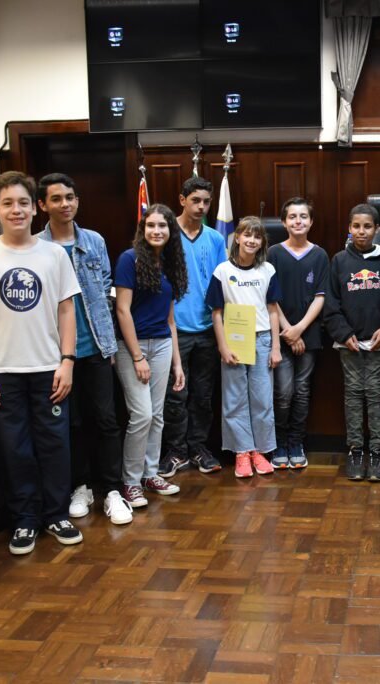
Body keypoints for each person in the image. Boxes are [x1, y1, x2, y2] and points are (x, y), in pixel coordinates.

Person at [0, 171, 82, 555]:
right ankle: (25, 520)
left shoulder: (54, 254)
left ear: (34, 208)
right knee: (15, 449)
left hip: (48, 369)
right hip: (1, 372)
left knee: (55, 445)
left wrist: (67, 361)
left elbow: (66, 311)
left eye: (23, 203)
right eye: (8, 203)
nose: (17, 210)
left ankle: (57, 514)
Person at [36, 173, 132, 526]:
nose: (65, 204)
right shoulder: (36, 247)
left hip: (96, 347)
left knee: (106, 420)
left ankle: (112, 490)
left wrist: (109, 341)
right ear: (42, 205)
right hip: (56, 354)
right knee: (72, 423)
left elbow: (105, 292)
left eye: (70, 197)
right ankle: (81, 487)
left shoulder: (94, 241)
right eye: (57, 199)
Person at [114, 204, 187, 509]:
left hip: (162, 344)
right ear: (142, 230)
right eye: (151, 226)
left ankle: (150, 473)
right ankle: (130, 482)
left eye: (163, 226)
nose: (157, 231)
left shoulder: (170, 262)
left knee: (157, 415)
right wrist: (137, 357)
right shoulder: (128, 259)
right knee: (141, 415)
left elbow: (170, 320)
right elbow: (122, 310)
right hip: (133, 346)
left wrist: (177, 364)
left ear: (171, 230)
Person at [324, 204, 380, 482]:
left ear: (377, 229)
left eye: (367, 226)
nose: (361, 231)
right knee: (353, 394)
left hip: (379, 341)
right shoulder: (339, 260)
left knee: (376, 394)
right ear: (349, 228)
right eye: (356, 226)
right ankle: (356, 450)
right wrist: (343, 333)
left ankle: (377, 451)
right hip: (349, 343)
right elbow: (331, 303)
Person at [160, 177, 227, 478]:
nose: (201, 207)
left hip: (207, 328)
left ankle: (198, 447)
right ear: (182, 200)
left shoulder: (215, 239)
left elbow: (222, 283)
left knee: (202, 395)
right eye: (195, 200)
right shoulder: (165, 233)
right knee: (176, 395)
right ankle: (176, 451)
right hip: (174, 328)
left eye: (206, 202)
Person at [205, 216, 281, 478]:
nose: (251, 240)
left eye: (257, 236)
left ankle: (260, 451)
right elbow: (216, 313)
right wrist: (222, 347)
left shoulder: (267, 270)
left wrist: (276, 347)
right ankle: (242, 451)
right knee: (235, 399)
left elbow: (273, 310)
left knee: (262, 399)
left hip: (262, 339)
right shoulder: (222, 271)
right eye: (247, 235)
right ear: (236, 237)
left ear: (262, 242)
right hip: (234, 340)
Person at [268, 197, 329, 469]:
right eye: (292, 217)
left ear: (311, 221)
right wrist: (288, 330)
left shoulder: (320, 255)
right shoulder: (273, 253)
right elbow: (270, 298)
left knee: (302, 391)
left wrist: (300, 329)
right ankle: (279, 442)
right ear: (283, 222)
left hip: (309, 334)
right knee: (283, 391)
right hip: (279, 334)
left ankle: (296, 442)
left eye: (303, 216)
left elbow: (320, 297)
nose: (298, 221)